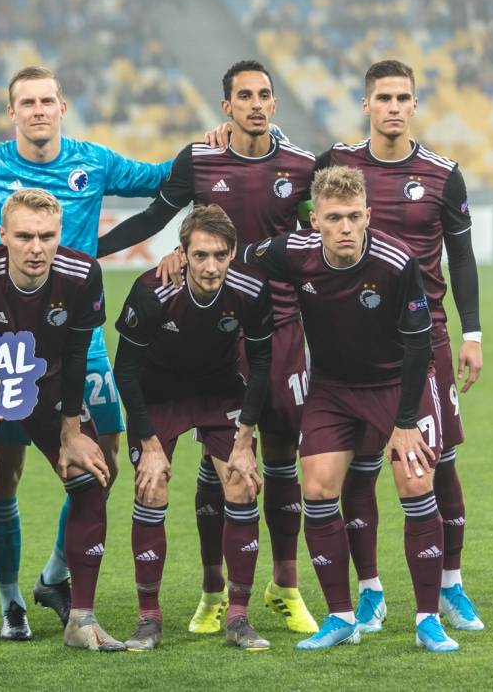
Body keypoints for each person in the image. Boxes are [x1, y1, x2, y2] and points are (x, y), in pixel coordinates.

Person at [0, 65, 171, 637]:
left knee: (100, 460)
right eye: (27, 102)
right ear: (12, 111)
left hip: (71, 347)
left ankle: (56, 577)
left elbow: (164, 180)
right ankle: (8, 602)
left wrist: (213, 150)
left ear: (62, 106)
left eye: (46, 100)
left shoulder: (93, 168)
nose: (38, 110)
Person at [99, 60, 319, 636]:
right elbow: (155, 217)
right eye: (244, 95)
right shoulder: (199, 159)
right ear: (226, 106)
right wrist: (89, 249)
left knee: (278, 454)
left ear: (275, 103)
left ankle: (286, 586)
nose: (255, 103)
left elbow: (316, 236)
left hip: (280, 326)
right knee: (216, 458)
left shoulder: (301, 166)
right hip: (211, 327)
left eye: (264, 94)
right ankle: (213, 592)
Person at [243, 165, 459, 653]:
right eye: (334, 218)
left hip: (397, 383)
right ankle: (341, 616)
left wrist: (405, 423)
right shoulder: (292, 252)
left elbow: (419, 343)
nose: (345, 227)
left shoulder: (396, 261)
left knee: (415, 482)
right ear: (315, 220)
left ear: (368, 216)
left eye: (354, 217)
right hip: (333, 389)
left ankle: (427, 620)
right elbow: (242, 256)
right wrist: (183, 256)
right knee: (318, 488)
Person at [316, 59, 484, 634]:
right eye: (383, 97)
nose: (393, 107)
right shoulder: (337, 164)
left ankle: (450, 586)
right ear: (366, 104)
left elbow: (462, 258)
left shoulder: (443, 175)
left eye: (402, 97)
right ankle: (370, 591)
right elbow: (291, 213)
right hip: (353, 345)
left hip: (426, 340)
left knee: (439, 465)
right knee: (360, 472)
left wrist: (472, 334)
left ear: (414, 104)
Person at [0, 188, 119, 654]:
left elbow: (76, 355)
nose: (36, 248)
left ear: (60, 235)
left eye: (46, 237)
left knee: (91, 476)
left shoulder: (83, 274)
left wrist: (72, 434)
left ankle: (81, 620)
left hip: (48, 386)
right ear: (2, 235)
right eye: (24, 237)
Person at [113, 204, 276, 651]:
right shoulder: (151, 291)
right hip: (159, 394)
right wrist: (149, 445)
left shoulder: (251, 288)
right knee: (151, 488)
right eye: (200, 255)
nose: (210, 267)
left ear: (233, 253)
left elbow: (261, 361)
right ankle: (149, 618)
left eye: (220, 255)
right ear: (182, 254)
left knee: (242, 483)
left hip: (219, 392)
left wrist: (245, 440)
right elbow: (125, 369)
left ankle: (238, 617)